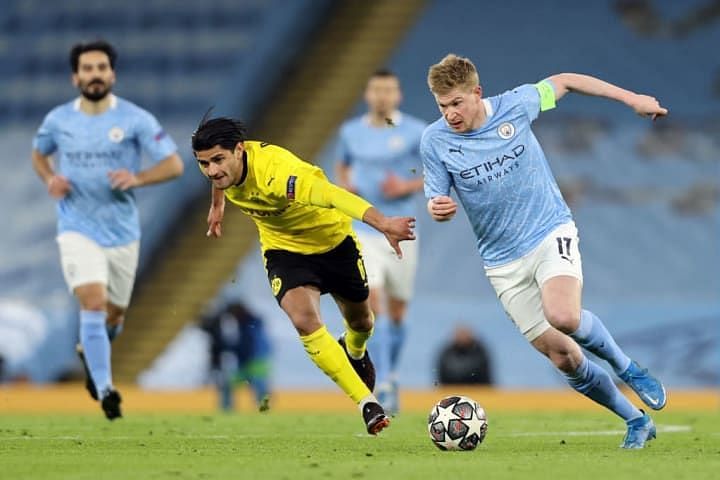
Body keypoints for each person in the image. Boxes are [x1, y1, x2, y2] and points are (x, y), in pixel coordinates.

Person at [421, 54, 668, 449]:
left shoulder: (516, 105)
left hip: (548, 231)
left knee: (564, 315)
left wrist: (632, 98)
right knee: (564, 358)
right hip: (502, 262)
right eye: (442, 106)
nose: (450, 114)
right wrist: (438, 208)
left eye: (456, 104)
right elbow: (437, 199)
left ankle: (629, 368)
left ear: (477, 93)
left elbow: (567, 80)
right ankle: (636, 421)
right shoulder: (435, 141)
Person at [192, 115, 415, 435]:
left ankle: (354, 349)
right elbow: (218, 179)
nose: (212, 170)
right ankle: (367, 403)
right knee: (304, 320)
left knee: (362, 323)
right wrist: (217, 206)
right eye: (204, 164)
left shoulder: (281, 175)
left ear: (239, 150)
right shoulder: (223, 169)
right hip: (285, 253)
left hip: (334, 245)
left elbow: (334, 195)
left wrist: (384, 224)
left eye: (217, 160)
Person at [31, 40, 184, 420]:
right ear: (75, 76)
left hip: (122, 232)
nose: (95, 74)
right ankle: (105, 388)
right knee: (94, 303)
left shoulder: (136, 120)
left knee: (113, 316)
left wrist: (138, 178)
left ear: (112, 74)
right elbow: (39, 153)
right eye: (87, 68)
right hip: (76, 227)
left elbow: (174, 165)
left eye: (101, 68)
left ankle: (92, 352)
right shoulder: (58, 121)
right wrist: (50, 178)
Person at [335, 69, 426, 414]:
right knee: (372, 303)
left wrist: (405, 187)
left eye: (389, 90)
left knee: (398, 312)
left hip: (403, 230)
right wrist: (348, 187)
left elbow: (436, 171)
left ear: (398, 95)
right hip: (366, 229)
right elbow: (342, 167)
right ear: (367, 95)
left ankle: (392, 373)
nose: (382, 96)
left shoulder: (416, 132)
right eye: (376, 90)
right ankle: (383, 382)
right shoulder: (351, 132)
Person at [201, 302, 272, 412]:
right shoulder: (253, 324)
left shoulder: (249, 325)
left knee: (257, 387)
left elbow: (246, 346)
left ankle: (228, 410)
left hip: (253, 363)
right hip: (255, 363)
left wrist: (226, 346)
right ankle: (264, 411)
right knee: (257, 388)